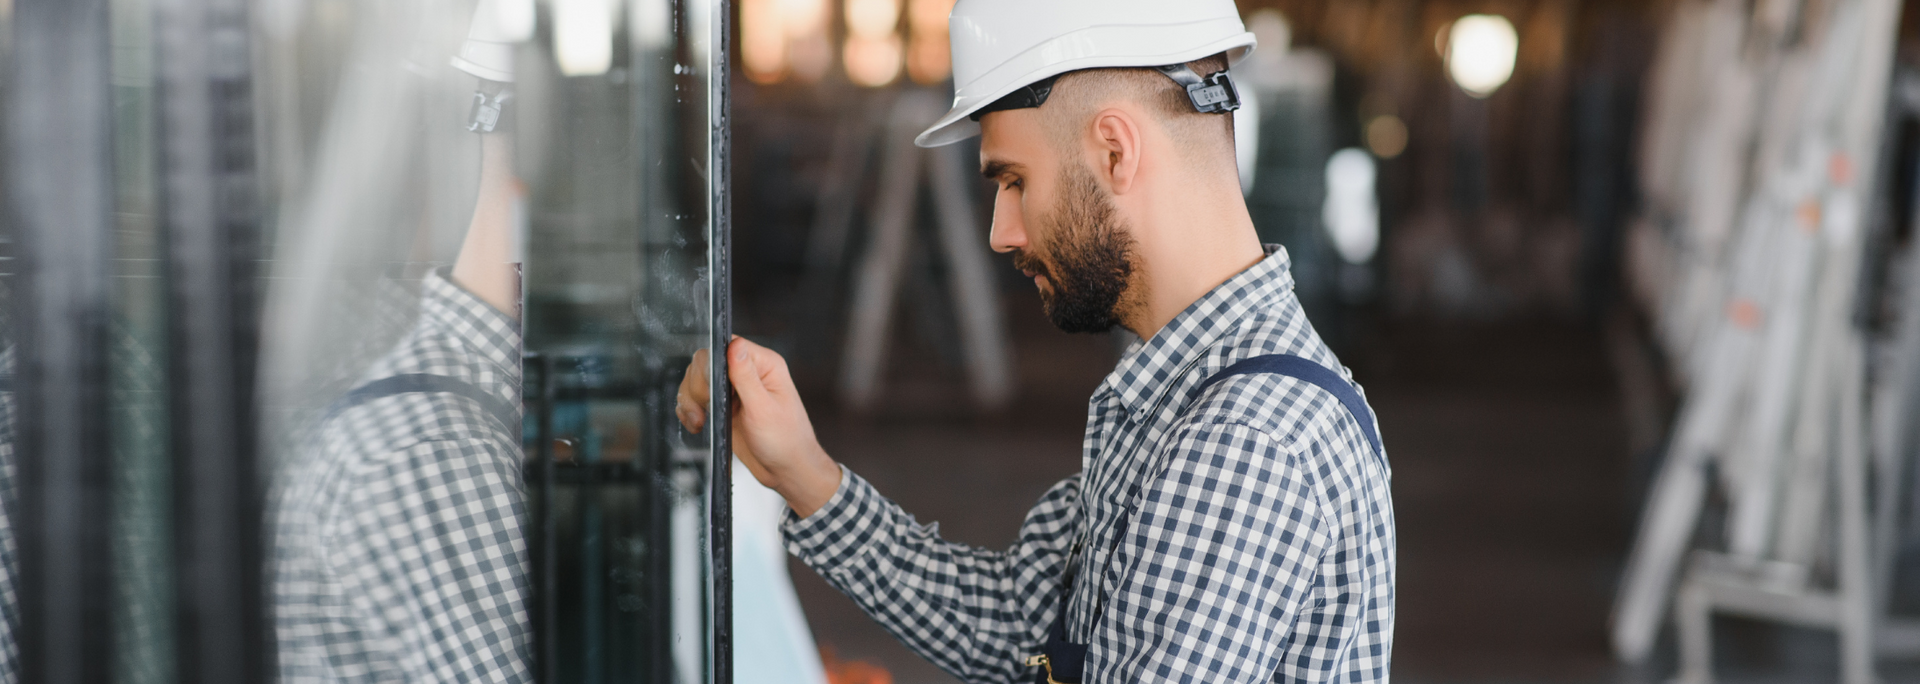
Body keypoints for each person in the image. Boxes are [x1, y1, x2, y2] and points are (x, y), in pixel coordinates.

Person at [678, 1, 1395, 682]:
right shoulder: (1185, 394)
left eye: (1014, 181)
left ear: (1115, 150)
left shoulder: (1240, 442)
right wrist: (803, 474)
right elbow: (1026, 625)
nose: (1002, 231)